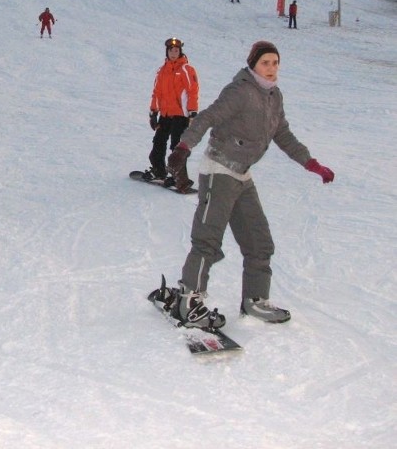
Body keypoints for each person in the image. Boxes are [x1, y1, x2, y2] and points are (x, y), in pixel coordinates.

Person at [164, 41, 334, 329]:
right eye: (265, 62)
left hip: (242, 175)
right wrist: (183, 147)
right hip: (219, 170)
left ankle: (255, 300)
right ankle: (188, 300)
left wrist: (311, 163)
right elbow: (207, 117)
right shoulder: (240, 91)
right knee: (207, 239)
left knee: (259, 241)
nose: (271, 68)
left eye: (275, 63)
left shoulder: (273, 97)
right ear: (253, 64)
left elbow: (284, 135)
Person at [143, 37, 199, 184]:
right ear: (167, 52)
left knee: (176, 146)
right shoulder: (162, 71)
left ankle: (178, 177)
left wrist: (192, 112)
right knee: (158, 142)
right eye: (171, 51)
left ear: (180, 52)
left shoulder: (186, 69)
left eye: (176, 51)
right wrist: (153, 112)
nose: (174, 53)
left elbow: (192, 91)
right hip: (165, 114)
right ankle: (158, 170)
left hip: (180, 115)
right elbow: (156, 92)